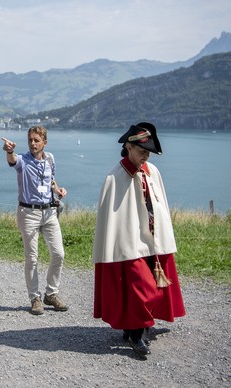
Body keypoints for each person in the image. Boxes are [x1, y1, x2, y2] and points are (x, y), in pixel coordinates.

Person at [92, 122, 186, 356]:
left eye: (148, 152)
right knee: (141, 287)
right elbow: (111, 219)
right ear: (128, 147)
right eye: (142, 151)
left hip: (152, 242)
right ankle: (137, 335)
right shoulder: (114, 178)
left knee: (151, 285)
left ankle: (134, 329)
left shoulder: (152, 172)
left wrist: (161, 235)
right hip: (128, 245)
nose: (146, 156)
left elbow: (159, 204)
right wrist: (124, 242)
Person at [1, 126, 69, 316]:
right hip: (28, 213)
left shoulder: (50, 159)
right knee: (32, 258)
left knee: (59, 254)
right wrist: (9, 150)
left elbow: (51, 180)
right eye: (30, 140)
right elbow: (12, 160)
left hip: (49, 212)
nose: (32, 143)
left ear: (44, 143)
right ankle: (35, 298)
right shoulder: (22, 160)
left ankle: (51, 294)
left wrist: (57, 190)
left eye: (36, 140)